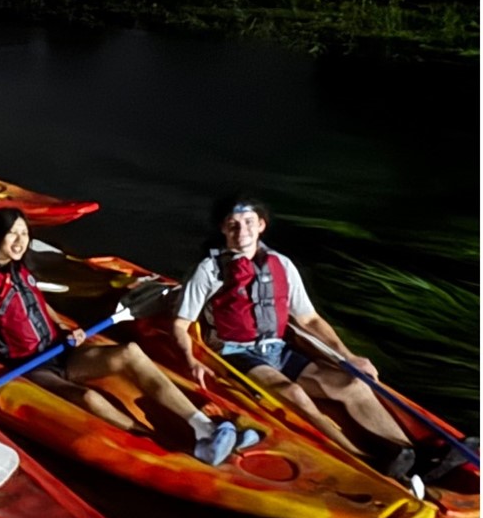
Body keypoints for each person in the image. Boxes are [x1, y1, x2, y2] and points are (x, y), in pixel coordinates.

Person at [0, 207, 260, 467]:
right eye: (12, 234)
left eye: (24, 233)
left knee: (130, 351)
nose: (20, 241)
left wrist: (67, 328)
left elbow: (38, 303)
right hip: (30, 364)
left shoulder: (21, 267)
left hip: (59, 348)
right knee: (88, 398)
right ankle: (161, 444)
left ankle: (205, 428)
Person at [171, 195, 424, 485]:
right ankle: (366, 461)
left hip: (278, 349)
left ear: (261, 225)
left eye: (249, 223)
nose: (242, 232)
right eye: (233, 226)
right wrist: (190, 360)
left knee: (353, 384)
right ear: (224, 230)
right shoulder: (209, 271)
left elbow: (310, 320)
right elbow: (181, 323)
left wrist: (347, 357)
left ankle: (409, 451)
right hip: (235, 353)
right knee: (292, 393)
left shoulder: (282, 265)